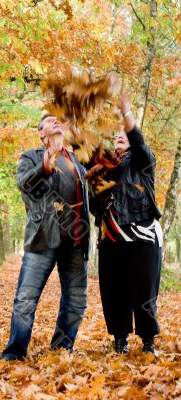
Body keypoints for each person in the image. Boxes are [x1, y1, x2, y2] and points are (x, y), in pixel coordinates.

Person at [2, 114, 91, 361]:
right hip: (43, 238)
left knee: (75, 301)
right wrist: (43, 167)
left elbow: (89, 201)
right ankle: (14, 352)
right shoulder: (30, 157)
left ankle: (61, 350)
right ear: (41, 133)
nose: (56, 122)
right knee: (26, 299)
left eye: (58, 120)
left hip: (75, 242)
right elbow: (24, 183)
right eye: (49, 121)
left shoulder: (77, 162)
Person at [89, 92, 163, 354]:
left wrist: (127, 113)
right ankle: (120, 340)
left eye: (125, 134)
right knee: (113, 291)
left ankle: (148, 342)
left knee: (144, 292)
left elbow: (139, 142)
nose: (120, 136)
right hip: (110, 240)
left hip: (142, 238)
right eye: (116, 134)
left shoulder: (143, 162)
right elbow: (93, 207)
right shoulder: (104, 168)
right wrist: (93, 182)